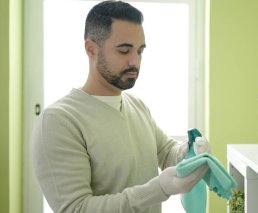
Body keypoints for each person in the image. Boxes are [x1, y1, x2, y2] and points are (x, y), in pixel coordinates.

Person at [30, 1, 211, 212]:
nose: (135, 61)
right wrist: (159, 188)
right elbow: (76, 208)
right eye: (124, 51)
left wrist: (188, 151)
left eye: (140, 51)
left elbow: (166, 152)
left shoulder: (137, 106)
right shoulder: (59, 121)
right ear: (91, 49)